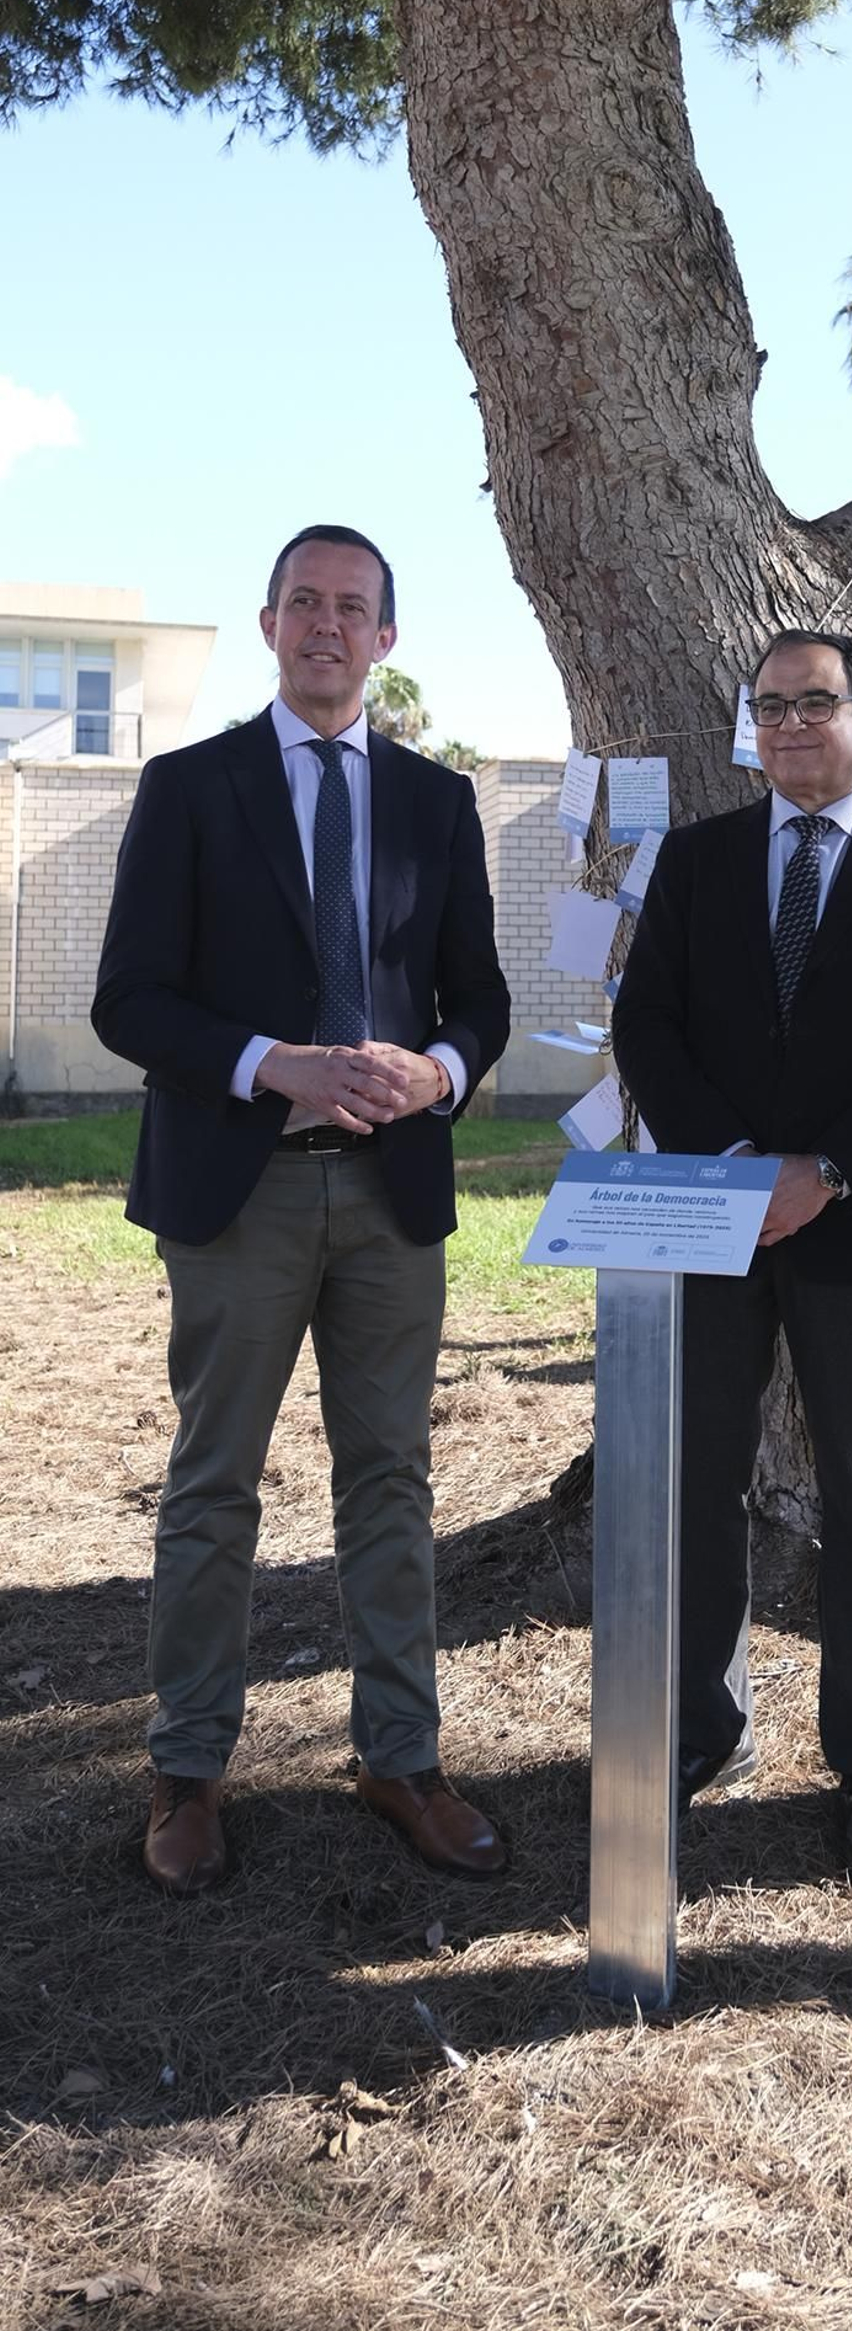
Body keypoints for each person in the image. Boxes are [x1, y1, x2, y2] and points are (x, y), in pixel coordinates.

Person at [93, 526, 512, 1895]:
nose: (328, 625)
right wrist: (274, 1062)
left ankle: (401, 1754)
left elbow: (481, 1003)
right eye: (306, 603)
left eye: (355, 608)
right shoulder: (191, 787)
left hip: (390, 1197)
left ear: (387, 641)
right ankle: (188, 1769)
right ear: (269, 624)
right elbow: (130, 999)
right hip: (242, 1187)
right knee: (214, 1487)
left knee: (389, 1480)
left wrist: (437, 1072)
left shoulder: (440, 805)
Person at [611, 629, 852, 1888]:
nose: (786, 726)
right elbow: (643, 1019)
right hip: (707, 1216)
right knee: (697, 1478)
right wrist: (729, 1163)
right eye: (766, 708)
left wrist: (820, 1171)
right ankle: (701, 1731)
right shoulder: (699, 859)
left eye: (813, 703)